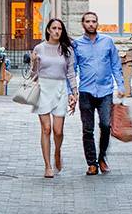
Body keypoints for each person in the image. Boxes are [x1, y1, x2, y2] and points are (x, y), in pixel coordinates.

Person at [72, 12, 124, 176]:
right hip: (86, 91)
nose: (91, 24)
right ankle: (91, 163)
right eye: (87, 21)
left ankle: (102, 157)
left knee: (105, 125)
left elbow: (116, 65)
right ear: (83, 24)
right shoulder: (77, 45)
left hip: (105, 90)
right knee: (87, 129)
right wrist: (71, 91)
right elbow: (72, 69)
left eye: (94, 21)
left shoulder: (107, 42)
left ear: (97, 23)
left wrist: (120, 86)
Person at [30, 18, 76, 178]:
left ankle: (57, 151)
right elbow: (33, 74)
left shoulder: (66, 49)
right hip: (43, 87)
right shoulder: (39, 48)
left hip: (60, 88)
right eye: (54, 28)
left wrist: (74, 92)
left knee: (58, 131)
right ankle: (47, 166)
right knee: (46, 128)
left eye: (60, 29)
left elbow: (70, 72)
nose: (57, 31)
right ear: (48, 30)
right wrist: (34, 62)